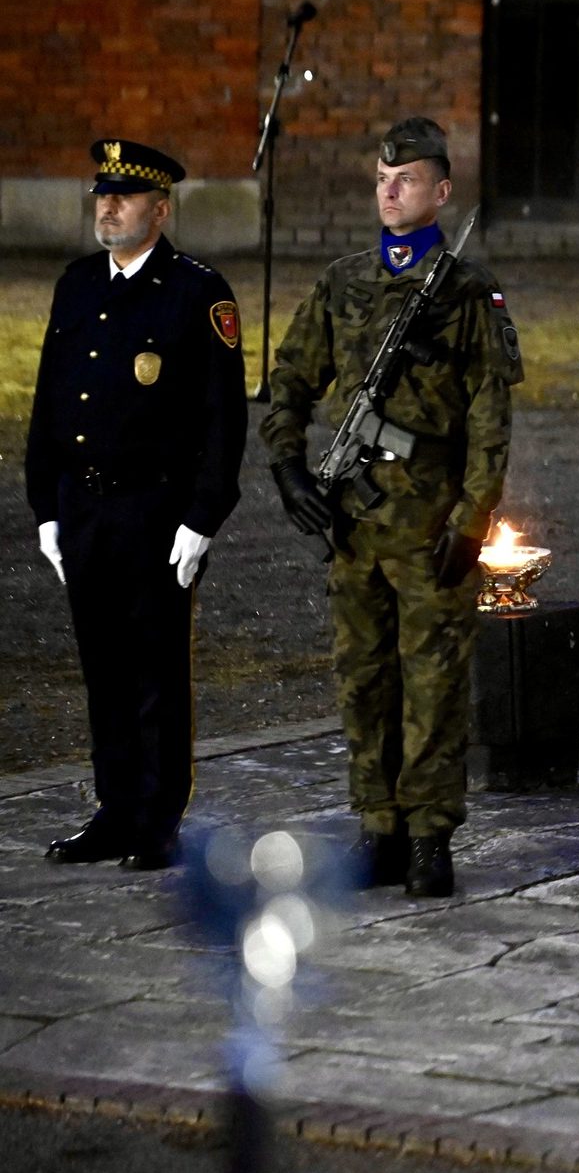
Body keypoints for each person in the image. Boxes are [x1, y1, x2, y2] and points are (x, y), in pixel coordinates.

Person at [259, 117, 521, 898]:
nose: (389, 191)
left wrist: (473, 518)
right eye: (381, 179)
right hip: (353, 525)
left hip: (430, 526)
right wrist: (288, 469)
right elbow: (289, 381)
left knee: (434, 684)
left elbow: (489, 416)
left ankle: (430, 837)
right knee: (363, 680)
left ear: (440, 192)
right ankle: (378, 827)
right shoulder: (341, 284)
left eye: (405, 180)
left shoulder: (467, 293)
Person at [27, 139, 247, 870]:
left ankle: (158, 817)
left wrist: (203, 517)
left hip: (155, 511)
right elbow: (51, 401)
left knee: (155, 671)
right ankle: (115, 809)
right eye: (103, 196)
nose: (108, 207)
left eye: (124, 197)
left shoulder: (195, 292)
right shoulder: (78, 284)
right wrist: (46, 506)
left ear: (160, 210)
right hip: (85, 507)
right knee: (104, 668)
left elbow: (222, 417)